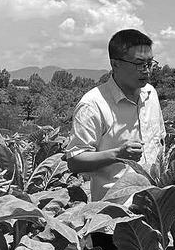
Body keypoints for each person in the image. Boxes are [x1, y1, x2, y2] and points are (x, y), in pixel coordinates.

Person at [65, 29, 166, 201]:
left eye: (150, 63)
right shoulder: (93, 104)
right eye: (139, 63)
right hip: (116, 209)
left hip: (155, 204)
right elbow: (75, 160)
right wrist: (117, 154)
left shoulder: (151, 94)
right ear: (115, 64)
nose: (146, 70)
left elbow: (160, 143)